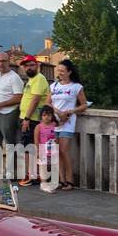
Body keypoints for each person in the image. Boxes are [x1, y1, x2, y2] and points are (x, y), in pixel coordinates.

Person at [44, 58, 88, 191]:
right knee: (56, 152)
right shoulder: (54, 86)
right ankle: (61, 180)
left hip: (68, 122)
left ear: (69, 72)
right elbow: (47, 103)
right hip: (55, 121)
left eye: (62, 70)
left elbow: (84, 104)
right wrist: (57, 112)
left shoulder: (76, 87)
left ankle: (70, 180)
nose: (60, 73)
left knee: (64, 150)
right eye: (58, 70)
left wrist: (70, 111)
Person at [0, 51, 24, 172]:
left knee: (9, 143)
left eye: (3, 61)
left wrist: (1, 105)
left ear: (9, 62)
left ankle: (11, 171)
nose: (1, 64)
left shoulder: (14, 77)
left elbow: (19, 97)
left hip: (8, 113)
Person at [17, 55, 49, 186]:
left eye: (31, 65)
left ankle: (30, 176)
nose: (28, 68)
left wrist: (27, 119)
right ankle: (33, 175)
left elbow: (35, 100)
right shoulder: (32, 80)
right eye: (26, 66)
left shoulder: (39, 79)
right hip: (29, 118)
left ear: (37, 65)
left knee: (28, 148)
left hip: (32, 119)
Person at [35, 105, 59, 192]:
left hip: (53, 150)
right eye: (44, 115)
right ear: (41, 116)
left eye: (49, 115)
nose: (46, 117)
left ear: (52, 116)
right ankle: (43, 183)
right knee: (43, 166)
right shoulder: (39, 127)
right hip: (43, 149)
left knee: (54, 165)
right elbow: (36, 140)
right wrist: (37, 151)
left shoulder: (55, 125)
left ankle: (54, 182)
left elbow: (57, 137)